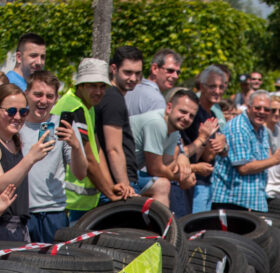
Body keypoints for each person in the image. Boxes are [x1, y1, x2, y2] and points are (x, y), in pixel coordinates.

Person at [0, 82, 55, 243]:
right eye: (11, 111)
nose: (17, 117)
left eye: (23, 112)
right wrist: (30, 159)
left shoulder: (14, 140)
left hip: (20, 228)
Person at [52, 57, 121, 222]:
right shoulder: (74, 108)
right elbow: (89, 159)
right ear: (80, 85)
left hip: (81, 202)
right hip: (70, 203)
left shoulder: (85, 105)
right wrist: (111, 195)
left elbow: (96, 149)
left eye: (102, 86)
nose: (98, 91)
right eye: (92, 86)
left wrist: (111, 187)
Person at [22, 70, 87, 242]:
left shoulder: (63, 127)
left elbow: (81, 174)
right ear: (26, 93)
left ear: (56, 98)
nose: (43, 101)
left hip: (54, 213)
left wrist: (76, 146)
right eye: (38, 94)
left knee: (55, 267)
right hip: (23, 213)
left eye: (49, 96)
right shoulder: (15, 125)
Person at [212, 89, 280, 212]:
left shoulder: (261, 128)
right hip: (233, 202)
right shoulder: (239, 128)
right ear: (248, 107)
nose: (262, 112)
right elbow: (244, 168)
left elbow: (264, 161)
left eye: (267, 109)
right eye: (258, 108)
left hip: (251, 201)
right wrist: (276, 159)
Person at [130, 89, 198, 205]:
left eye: (191, 116)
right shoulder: (157, 123)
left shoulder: (174, 130)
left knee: (163, 183)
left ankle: (159, 221)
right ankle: (161, 223)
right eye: (183, 111)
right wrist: (185, 175)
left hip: (131, 173)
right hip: (116, 173)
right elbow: (155, 169)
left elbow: (167, 165)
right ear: (169, 108)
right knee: (162, 185)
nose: (186, 118)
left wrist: (182, 160)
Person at [94, 46, 143, 203]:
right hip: (118, 186)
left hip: (111, 183)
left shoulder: (109, 96)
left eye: (137, 73)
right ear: (114, 69)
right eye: (128, 72)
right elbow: (113, 149)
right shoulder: (113, 98)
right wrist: (126, 187)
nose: (133, 78)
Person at [181, 64, 229, 213]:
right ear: (202, 86)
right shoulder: (192, 115)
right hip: (191, 183)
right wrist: (205, 140)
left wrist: (222, 145)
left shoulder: (212, 115)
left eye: (221, 87)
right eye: (213, 86)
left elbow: (209, 155)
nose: (217, 91)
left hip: (208, 182)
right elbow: (186, 154)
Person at [125, 48, 181, 116]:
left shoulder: (129, 90)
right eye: (170, 70)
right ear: (155, 68)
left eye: (178, 72)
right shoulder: (156, 100)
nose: (176, 76)